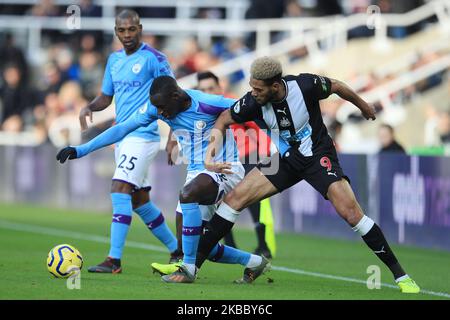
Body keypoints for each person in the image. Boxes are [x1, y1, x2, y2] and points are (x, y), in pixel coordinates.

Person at [196, 56, 420, 293]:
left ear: (275, 86)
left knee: (352, 213)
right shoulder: (252, 102)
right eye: (252, 87)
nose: (253, 93)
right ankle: (191, 266)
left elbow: (337, 86)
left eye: (258, 88)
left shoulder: (305, 85)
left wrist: (363, 105)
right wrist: (210, 156)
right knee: (233, 200)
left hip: (318, 156)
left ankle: (402, 276)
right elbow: (223, 119)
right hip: (287, 160)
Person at [56, 75, 270, 284]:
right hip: (198, 173)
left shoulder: (208, 103)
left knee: (187, 194)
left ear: (177, 95)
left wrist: (284, 138)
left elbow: (254, 107)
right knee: (193, 246)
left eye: (162, 107)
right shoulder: (159, 107)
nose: (160, 113)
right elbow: (122, 128)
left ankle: (187, 270)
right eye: (157, 108)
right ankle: (254, 262)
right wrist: (80, 150)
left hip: (226, 168)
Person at [76, 9, 180, 273]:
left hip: (143, 136)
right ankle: (176, 250)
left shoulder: (154, 59)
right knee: (139, 200)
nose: (126, 35)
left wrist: (172, 137)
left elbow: (174, 96)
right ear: (116, 32)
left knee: (119, 188)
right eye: (121, 30)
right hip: (123, 138)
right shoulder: (113, 60)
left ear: (140, 28)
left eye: (131, 29)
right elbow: (106, 97)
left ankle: (114, 260)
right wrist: (89, 107)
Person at [197, 71, 276, 258]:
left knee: (254, 200)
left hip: (248, 156)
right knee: (219, 201)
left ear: (219, 87)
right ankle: (230, 243)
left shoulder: (233, 105)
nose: (208, 92)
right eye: (203, 90)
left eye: (211, 88)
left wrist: (265, 153)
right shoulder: (201, 109)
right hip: (223, 161)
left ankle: (263, 245)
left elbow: (256, 127)